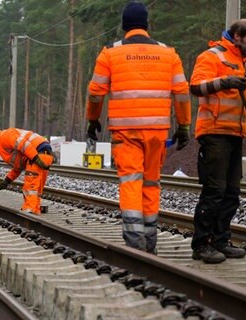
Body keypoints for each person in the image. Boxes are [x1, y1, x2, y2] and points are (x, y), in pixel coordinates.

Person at [85, 1, 191, 254]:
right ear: (147, 25)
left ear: (124, 26)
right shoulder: (169, 53)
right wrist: (184, 126)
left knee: (131, 181)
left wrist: (93, 120)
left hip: (125, 132)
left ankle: (135, 242)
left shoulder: (110, 53)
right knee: (152, 181)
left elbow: (96, 93)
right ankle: (151, 239)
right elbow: (182, 92)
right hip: (157, 131)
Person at [189, 19, 246, 264]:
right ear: (237, 36)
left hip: (234, 134)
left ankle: (221, 240)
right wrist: (224, 82)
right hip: (214, 132)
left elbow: (245, 103)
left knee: (231, 193)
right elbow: (195, 86)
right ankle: (202, 244)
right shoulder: (212, 56)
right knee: (214, 191)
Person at [0, 127, 53, 215]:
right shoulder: (7, 143)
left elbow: (23, 145)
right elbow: (18, 167)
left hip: (37, 152)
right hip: (45, 153)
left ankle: (29, 210)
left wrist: (35, 158)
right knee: (37, 187)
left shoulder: (5, 136)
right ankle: (35, 208)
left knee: (30, 185)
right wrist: (6, 181)